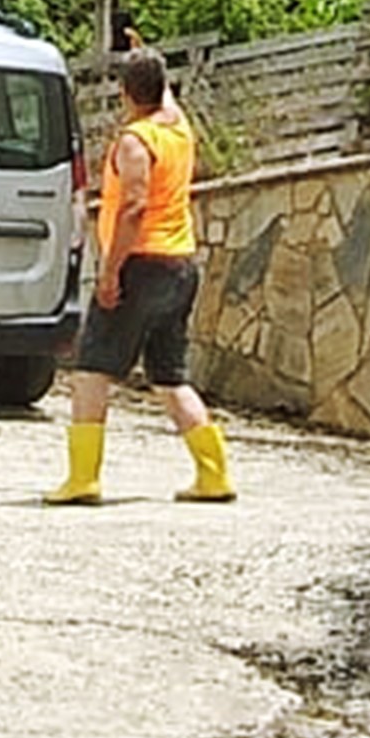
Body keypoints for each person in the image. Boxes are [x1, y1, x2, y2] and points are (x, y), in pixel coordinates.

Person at [47, 45, 232, 504]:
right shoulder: (180, 130)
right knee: (170, 376)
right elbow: (163, 96)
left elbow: (133, 206)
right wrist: (146, 59)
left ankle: (83, 479)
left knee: (91, 372)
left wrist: (110, 273)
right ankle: (214, 475)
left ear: (126, 92)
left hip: (140, 264)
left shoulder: (135, 141)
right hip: (180, 264)